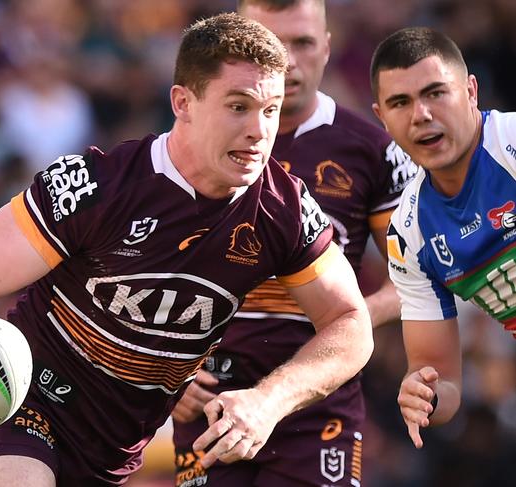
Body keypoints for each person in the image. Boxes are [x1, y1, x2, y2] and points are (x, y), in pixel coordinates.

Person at [0, 13, 374, 487]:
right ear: (183, 102)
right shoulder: (95, 186)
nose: (259, 130)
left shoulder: (283, 210)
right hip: (20, 403)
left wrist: (270, 399)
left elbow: (350, 324)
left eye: (270, 110)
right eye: (238, 106)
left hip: (115, 455)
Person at [171, 1, 416, 486]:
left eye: (302, 43)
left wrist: (339, 327)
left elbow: (415, 281)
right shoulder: (189, 143)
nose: (287, 61)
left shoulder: (374, 151)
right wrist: (162, 374)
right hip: (207, 401)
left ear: (327, 45)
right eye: (269, 43)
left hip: (318, 404)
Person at [371, 26, 516, 450]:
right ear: (382, 117)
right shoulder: (410, 233)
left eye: (436, 93)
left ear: (471, 91)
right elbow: (441, 377)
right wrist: (426, 396)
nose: (421, 114)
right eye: (401, 102)